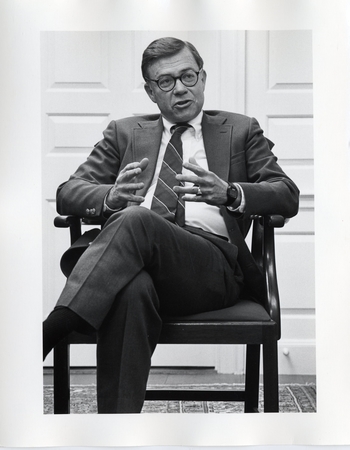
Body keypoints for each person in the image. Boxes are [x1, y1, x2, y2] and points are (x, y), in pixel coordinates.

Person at [43, 37, 299, 413]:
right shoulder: (125, 133)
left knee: (136, 219)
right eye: (166, 82)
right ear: (150, 91)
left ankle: (53, 328)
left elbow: (286, 193)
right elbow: (69, 192)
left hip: (210, 270)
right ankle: (116, 431)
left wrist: (230, 193)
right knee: (131, 288)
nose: (180, 88)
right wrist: (110, 197)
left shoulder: (241, 130)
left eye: (188, 76)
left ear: (203, 77)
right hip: (129, 264)